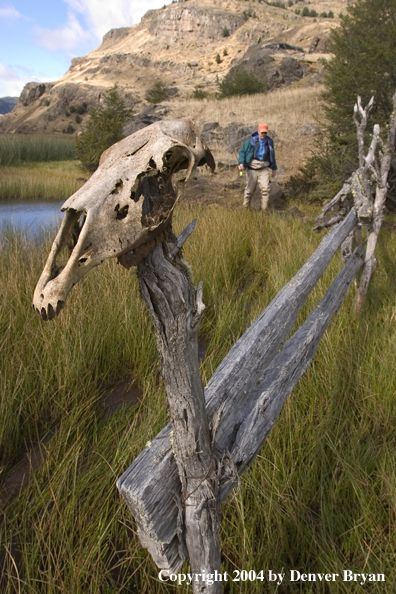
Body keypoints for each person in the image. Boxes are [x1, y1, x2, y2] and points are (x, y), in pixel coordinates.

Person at [238, 123, 277, 211]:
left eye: (265, 133)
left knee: (265, 189)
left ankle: (264, 210)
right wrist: (241, 163)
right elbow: (242, 152)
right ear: (258, 131)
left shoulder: (269, 142)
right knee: (249, 190)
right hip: (252, 169)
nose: (263, 134)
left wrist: (274, 169)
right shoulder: (250, 142)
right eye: (262, 132)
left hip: (264, 168)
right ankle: (245, 209)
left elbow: (272, 156)